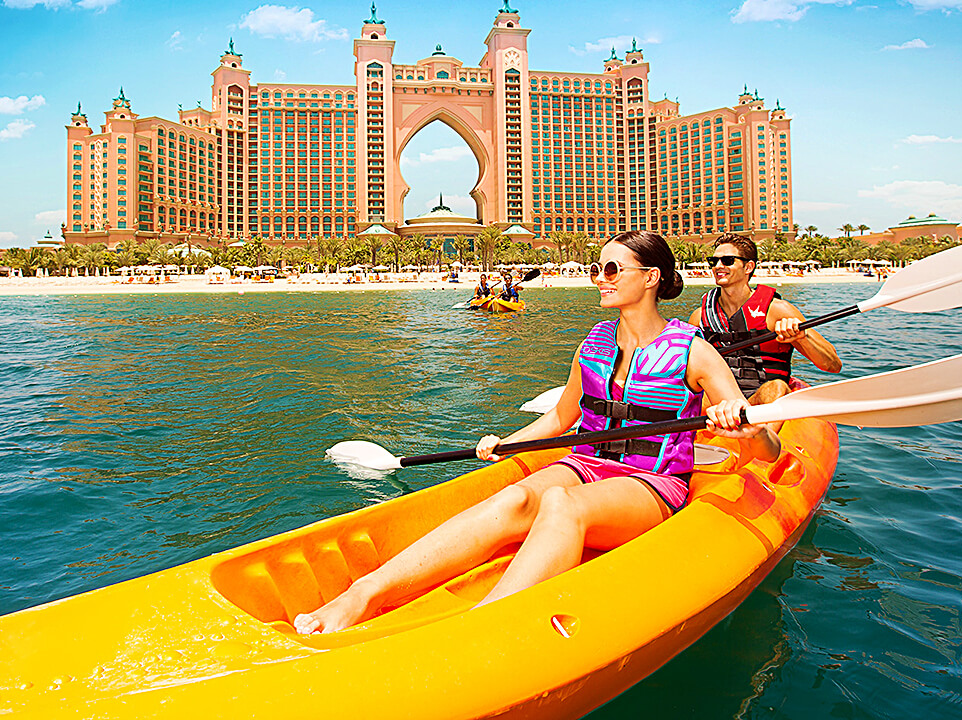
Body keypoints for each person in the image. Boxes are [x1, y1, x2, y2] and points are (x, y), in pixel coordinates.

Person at [294, 230, 781, 635]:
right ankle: (363, 595)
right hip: (585, 462)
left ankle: (481, 626)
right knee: (513, 501)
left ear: (650, 278)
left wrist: (742, 426)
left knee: (561, 504)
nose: (599, 279)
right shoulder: (595, 343)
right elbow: (559, 420)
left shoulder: (694, 352)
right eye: (597, 269)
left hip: (652, 481)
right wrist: (507, 443)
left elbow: (768, 447)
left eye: (612, 269)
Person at [687, 233, 841, 405]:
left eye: (728, 261)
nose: (718, 266)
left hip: (761, 397)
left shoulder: (777, 310)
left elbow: (832, 365)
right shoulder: (700, 316)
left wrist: (801, 338)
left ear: (748, 267)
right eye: (713, 261)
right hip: (719, 400)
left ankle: (761, 431)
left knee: (775, 388)